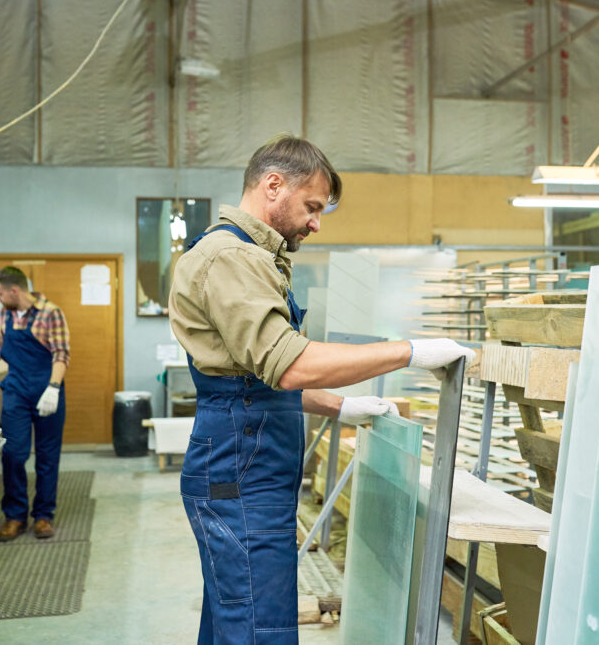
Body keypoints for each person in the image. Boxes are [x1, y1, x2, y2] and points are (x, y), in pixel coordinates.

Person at [169, 135, 474, 644]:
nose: (316, 222)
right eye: (311, 206)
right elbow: (288, 366)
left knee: (234, 622)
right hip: (240, 472)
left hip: (242, 464)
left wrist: (341, 406)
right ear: (272, 185)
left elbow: (251, 379)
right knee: (258, 629)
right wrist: (410, 351)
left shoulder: (247, 255)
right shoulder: (232, 259)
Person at [0, 266, 71, 542]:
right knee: (13, 453)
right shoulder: (6, 312)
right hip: (16, 391)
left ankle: (43, 516)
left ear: (14, 290)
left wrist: (52, 388)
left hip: (46, 392)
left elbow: (61, 354)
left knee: (47, 456)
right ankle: (15, 516)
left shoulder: (51, 312)